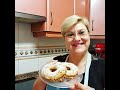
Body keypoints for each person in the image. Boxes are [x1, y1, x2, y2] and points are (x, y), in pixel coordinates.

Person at [32, 15, 105, 90]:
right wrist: (43, 74)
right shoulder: (57, 63)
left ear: (88, 35)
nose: (77, 38)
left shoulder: (102, 66)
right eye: (70, 34)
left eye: (82, 32)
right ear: (65, 39)